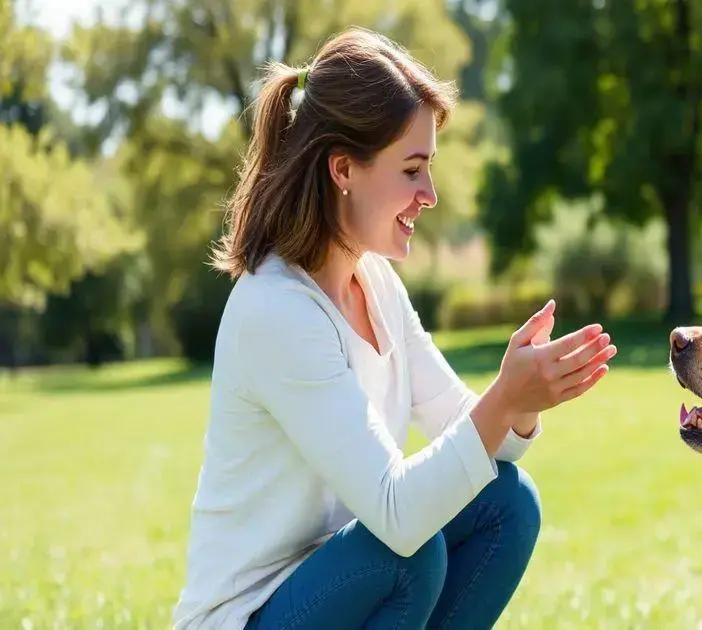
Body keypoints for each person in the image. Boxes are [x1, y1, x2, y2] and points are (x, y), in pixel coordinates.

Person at [173, 28, 617, 629]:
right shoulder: (275, 310)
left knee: (507, 504)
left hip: (343, 582)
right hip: (251, 615)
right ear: (343, 170)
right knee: (407, 552)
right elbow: (398, 513)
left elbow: (484, 442)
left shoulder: (376, 283)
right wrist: (505, 397)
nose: (429, 194)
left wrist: (522, 401)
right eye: (412, 170)